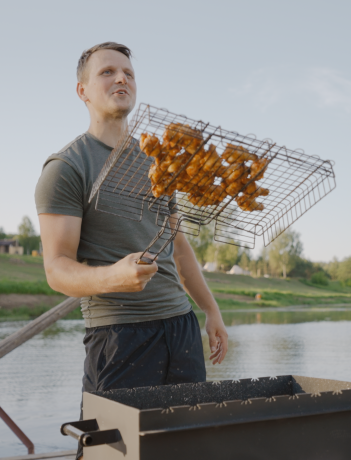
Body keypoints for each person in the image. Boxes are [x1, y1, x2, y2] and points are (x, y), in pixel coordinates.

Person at [34, 42, 228, 458]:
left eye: (128, 73)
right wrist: (113, 277)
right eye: (107, 72)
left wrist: (211, 311)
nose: (121, 78)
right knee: (115, 454)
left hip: (180, 327)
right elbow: (57, 269)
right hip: (119, 337)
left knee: (188, 449)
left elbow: (180, 248)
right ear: (82, 91)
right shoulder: (67, 168)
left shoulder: (157, 161)